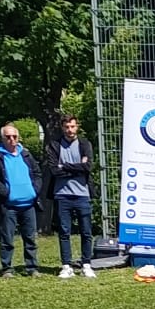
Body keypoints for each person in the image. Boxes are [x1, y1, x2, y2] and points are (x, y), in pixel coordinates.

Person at [44, 114, 97, 279]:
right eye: (66, 127)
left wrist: (65, 166)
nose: (70, 130)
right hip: (62, 195)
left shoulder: (84, 144)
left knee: (86, 232)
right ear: (62, 128)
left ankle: (86, 265)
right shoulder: (55, 145)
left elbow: (87, 167)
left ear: (77, 127)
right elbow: (54, 170)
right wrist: (77, 168)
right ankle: (66, 266)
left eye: (72, 126)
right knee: (64, 232)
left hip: (82, 194)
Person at [0, 123, 43, 277]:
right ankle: (7, 268)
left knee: (30, 238)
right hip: (9, 205)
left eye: (14, 136)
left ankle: (32, 267)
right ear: (2, 138)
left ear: (18, 137)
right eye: (8, 137)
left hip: (29, 204)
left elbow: (37, 173)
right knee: (7, 238)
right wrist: (6, 193)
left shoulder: (26, 154)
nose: (12, 139)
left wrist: (34, 191)